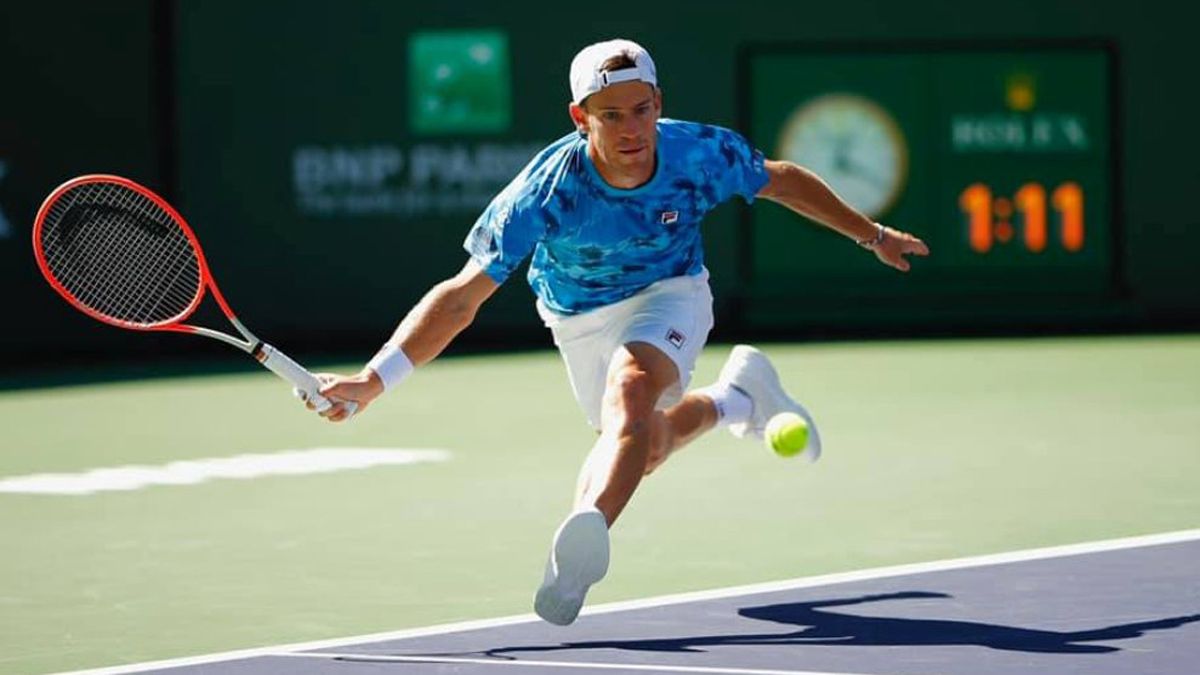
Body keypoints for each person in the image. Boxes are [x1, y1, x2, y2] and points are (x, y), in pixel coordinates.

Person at [306, 39, 929, 626]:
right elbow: (462, 299)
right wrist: (373, 379)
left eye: (641, 110)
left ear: (659, 103)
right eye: (611, 115)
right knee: (644, 443)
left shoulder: (698, 155)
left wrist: (872, 235)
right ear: (580, 117)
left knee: (630, 395)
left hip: (671, 294)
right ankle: (736, 398)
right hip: (576, 317)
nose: (630, 128)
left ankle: (578, 551)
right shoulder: (543, 191)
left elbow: (782, 179)